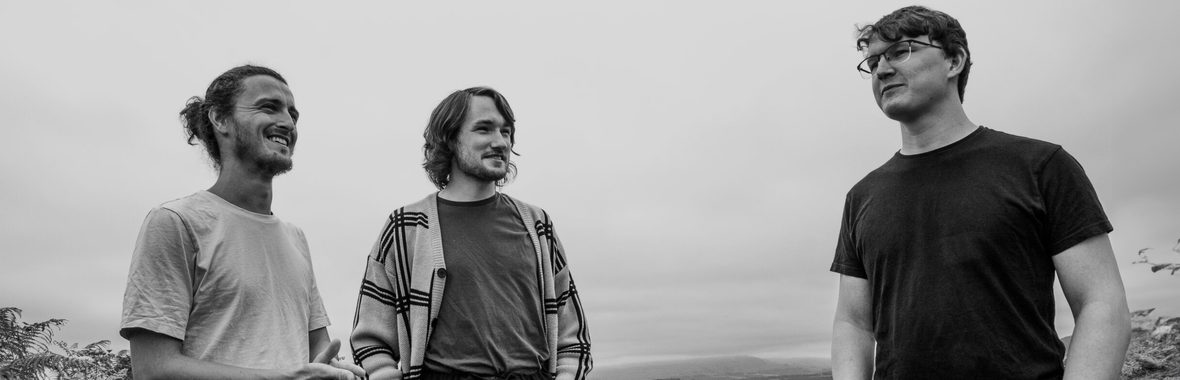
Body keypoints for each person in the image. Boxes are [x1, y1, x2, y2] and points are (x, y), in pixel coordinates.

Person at [830, 6, 1131, 379]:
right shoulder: (862, 196)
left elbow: (1101, 302)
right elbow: (854, 324)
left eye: (899, 51)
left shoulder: (1040, 166)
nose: (882, 69)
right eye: (873, 61)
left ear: (954, 60)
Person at [119, 65, 364, 380]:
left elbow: (317, 353)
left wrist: (334, 372)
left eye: (293, 114)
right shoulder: (176, 222)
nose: (287, 122)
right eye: (269, 107)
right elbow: (154, 369)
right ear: (220, 119)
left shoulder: (295, 238)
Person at [351, 87, 592, 380]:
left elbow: (572, 335)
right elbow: (370, 337)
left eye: (506, 131)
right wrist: (382, 372)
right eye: (484, 129)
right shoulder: (406, 226)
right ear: (450, 139)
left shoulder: (538, 223)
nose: (500, 141)